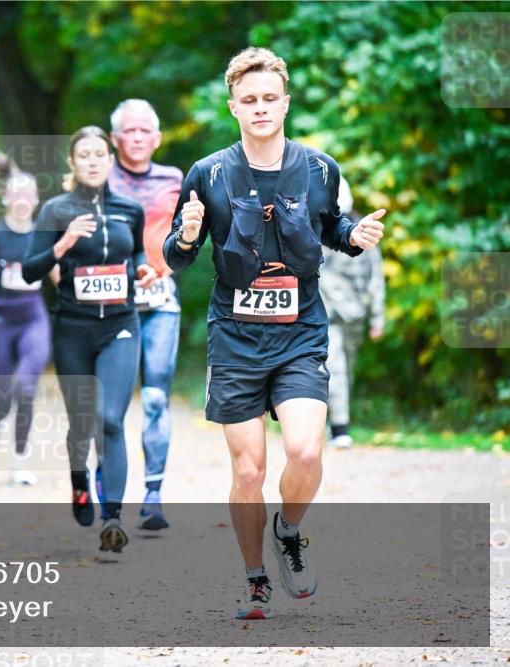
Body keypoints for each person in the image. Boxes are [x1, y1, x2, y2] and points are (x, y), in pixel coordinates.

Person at [163, 47, 386, 619]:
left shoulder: (319, 168)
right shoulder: (208, 173)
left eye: (269, 98)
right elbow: (177, 257)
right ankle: (255, 579)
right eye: (249, 100)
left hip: (300, 332)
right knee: (248, 471)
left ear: (285, 103)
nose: (260, 107)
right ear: (233, 107)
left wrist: (353, 235)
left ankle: (288, 530)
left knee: (306, 451)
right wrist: (186, 235)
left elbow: (331, 227)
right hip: (235, 336)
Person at [23, 126, 157, 552]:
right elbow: (29, 270)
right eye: (84, 155)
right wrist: (62, 244)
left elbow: (136, 252)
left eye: (100, 154)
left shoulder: (129, 209)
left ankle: (112, 518)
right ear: (72, 163)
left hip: (120, 325)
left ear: (111, 159)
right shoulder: (56, 210)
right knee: (82, 423)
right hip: (73, 329)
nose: (93, 161)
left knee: (110, 420)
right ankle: (79, 478)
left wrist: (143, 269)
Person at [107, 99, 184, 530]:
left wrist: (168, 266)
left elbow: (190, 235)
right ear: (115, 138)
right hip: (110, 305)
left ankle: (153, 495)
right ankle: (107, 495)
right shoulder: (100, 176)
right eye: (129, 131)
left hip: (160, 301)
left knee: (155, 397)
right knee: (110, 407)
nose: (136, 138)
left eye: (144, 131)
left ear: (156, 138)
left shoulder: (174, 178)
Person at [0, 153, 49, 486]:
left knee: (27, 387)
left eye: (28, 195)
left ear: (36, 200)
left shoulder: (44, 234)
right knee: (2, 395)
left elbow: (58, 273)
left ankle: (20, 462)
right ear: (5, 198)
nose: (22, 201)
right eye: (16, 194)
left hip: (33, 317)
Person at [319, 177, 386, 449]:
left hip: (355, 314)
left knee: (346, 369)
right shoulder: (322, 232)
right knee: (335, 368)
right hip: (330, 314)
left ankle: (330, 420)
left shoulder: (364, 234)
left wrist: (377, 317)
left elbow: (375, 277)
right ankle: (340, 429)